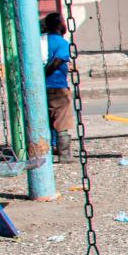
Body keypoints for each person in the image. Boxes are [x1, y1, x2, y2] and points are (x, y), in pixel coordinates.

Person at [42, 11, 73, 157]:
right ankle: (64, 154)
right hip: (56, 85)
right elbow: (56, 62)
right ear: (60, 25)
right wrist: (41, 77)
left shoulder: (39, 41)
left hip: (40, 88)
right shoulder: (62, 43)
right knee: (61, 120)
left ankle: (48, 147)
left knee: (46, 118)